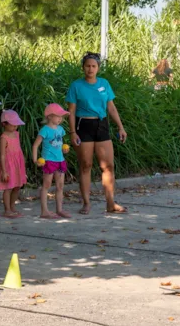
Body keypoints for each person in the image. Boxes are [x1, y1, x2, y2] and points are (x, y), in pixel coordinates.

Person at [66, 52, 128, 215]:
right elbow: (71, 111)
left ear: (98, 68)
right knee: (85, 165)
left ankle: (110, 203)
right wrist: (73, 132)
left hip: (101, 124)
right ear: (83, 67)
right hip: (83, 125)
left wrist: (121, 127)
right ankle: (86, 203)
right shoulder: (76, 86)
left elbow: (111, 107)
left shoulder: (104, 84)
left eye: (94, 66)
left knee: (108, 165)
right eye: (87, 66)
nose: (90, 69)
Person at [32, 103, 71, 219]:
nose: (60, 118)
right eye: (58, 116)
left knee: (60, 186)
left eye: (62, 116)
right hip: (48, 161)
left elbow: (60, 143)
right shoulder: (45, 130)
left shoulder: (61, 129)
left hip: (60, 160)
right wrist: (35, 160)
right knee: (46, 185)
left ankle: (59, 209)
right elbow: (35, 145)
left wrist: (65, 150)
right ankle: (44, 211)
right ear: (49, 116)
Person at [0, 109, 27, 218]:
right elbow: (2, 155)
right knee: (8, 187)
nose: (15, 127)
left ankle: (13, 207)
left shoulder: (16, 134)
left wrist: (22, 166)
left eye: (16, 124)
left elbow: (19, 150)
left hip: (18, 164)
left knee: (17, 186)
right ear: (4, 124)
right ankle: (7, 210)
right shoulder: (3, 138)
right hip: (8, 165)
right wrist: (4, 171)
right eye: (13, 124)